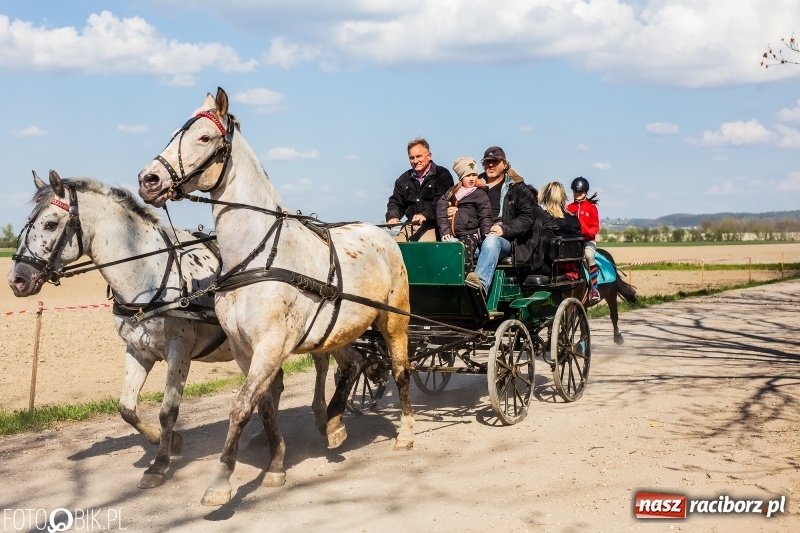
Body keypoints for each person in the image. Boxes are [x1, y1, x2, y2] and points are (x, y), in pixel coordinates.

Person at [458, 146, 536, 295]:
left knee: (491, 241)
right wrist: (453, 211)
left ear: (505, 165)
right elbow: (451, 202)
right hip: (474, 236)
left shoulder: (517, 187)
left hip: (505, 240)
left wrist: (504, 229)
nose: (491, 165)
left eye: (495, 161)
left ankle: (478, 289)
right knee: (452, 248)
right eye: (487, 162)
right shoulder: (472, 184)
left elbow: (527, 217)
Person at [386, 137, 455, 241]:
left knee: (423, 247)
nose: (415, 161)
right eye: (412, 158)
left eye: (419, 156)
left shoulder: (442, 175)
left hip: (434, 225)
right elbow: (395, 202)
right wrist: (392, 217)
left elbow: (441, 202)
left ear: (429, 155)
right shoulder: (402, 179)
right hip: (410, 225)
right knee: (395, 246)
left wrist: (425, 215)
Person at [437, 157, 493, 271]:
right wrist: (444, 230)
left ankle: (467, 278)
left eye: (474, 175)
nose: (471, 178)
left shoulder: (480, 194)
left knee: (464, 253)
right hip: (452, 233)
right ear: (461, 177)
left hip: (470, 233)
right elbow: (440, 207)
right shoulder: (453, 191)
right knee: (445, 254)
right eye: (468, 175)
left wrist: (486, 232)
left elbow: (485, 215)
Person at [567, 176, 601, 304]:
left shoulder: (592, 208)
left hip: (588, 241)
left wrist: (587, 232)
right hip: (572, 241)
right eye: (575, 191)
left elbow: (595, 227)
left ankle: (594, 290)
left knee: (589, 255)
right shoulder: (568, 208)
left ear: (585, 192)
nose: (576, 194)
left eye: (579, 192)